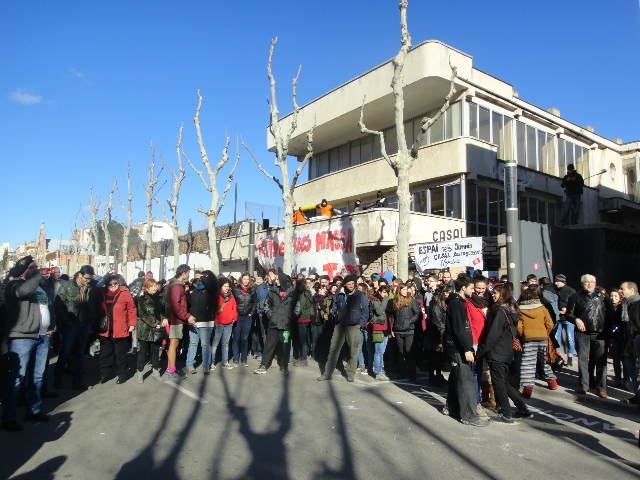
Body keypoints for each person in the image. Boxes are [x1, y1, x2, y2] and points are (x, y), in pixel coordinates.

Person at [1, 257, 55, 432]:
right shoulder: (14, 285)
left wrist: (52, 325)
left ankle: (34, 410)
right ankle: (8, 416)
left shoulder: (40, 286)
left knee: (37, 377)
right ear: (23, 270)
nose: (36, 270)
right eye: (32, 267)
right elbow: (22, 292)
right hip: (22, 337)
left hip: (42, 336)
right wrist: (37, 277)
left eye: (37, 267)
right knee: (17, 378)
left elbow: (48, 306)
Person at [476, 284, 533, 422]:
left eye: (495, 293)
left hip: (497, 352)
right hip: (507, 352)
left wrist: (481, 351)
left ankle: (506, 413)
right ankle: (522, 408)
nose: (493, 295)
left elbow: (493, 335)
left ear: (502, 294)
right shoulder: (512, 309)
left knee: (498, 383)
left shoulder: (500, 311)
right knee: (505, 382)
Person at [443, 275, 488, 427]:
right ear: (463, 288)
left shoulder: (458, 303)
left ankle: (453, 408)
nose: (473, 290)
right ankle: (469, 415)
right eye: (471, 288)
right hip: (457, 347)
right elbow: (460, 329)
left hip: (457, 346)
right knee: (465, 380)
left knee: (457, 378)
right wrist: (467, 349)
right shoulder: (456, 304)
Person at [565, 274, 609, 397]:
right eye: (586, 282)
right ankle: (584, 386)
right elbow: (569, 314)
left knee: (601, 361)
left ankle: (602, 388)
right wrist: (576, 320)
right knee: (583, 360)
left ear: (595, 283)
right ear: (582, 283)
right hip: (583, 334)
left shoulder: (602, 297)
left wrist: (609, 330)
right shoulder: (575, 297)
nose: (589, 284)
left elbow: (611, 313)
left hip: (600, 333)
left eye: (592, 282)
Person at [318, 275, 369, 382]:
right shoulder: (339, 294)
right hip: (340, 325)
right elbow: (334, 307)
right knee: (333, 350)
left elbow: (365, 310)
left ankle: (350, 373)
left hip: (354, 326)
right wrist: (333, 316)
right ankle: (327, 373)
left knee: (353, 351)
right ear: (345, 284)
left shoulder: (360, 295)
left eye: (352, 284)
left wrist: (360, 324)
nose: (350, 286)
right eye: (348, 284)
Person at [54, 264, 96, 390]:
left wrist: (92, 321)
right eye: (87, 278)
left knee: (80, 353)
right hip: (71, 324)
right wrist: (67, 321)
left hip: (85, 323)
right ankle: (58, 377)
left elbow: (93, 303)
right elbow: (59, 305)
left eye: (90, 278)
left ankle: (77, 380)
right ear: (80, 275)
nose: (88, 280)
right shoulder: (67, 286)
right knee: (65, 351)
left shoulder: (92, 287)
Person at [254, 273, 299, 375]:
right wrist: (271, 315)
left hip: (286, 325)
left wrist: (290, 317)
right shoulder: (273, 291)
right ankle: (263, 366)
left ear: (283, 280)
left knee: (285, 347)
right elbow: (267, 304)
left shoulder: (292, 293)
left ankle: (284, 366)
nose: (275, 281)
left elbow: (297, 307)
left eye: (278, 279)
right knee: (269, 346)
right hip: (273, 324)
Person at [517, 287, 557, 397]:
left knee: (528, 364)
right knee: (545, 361)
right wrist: (545, 333)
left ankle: (528, 388)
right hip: (543, 337)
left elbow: (519, 327)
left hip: (528, 339)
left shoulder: (520, 309)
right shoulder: (542, 308)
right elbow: (550, 323)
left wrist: (523, 336)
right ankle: (552, 382)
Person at [97, 275, 137, 384]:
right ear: (106, 284)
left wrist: (132, 324)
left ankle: (122, 375)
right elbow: (96, 284)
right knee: (105, 354)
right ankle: (104, 374)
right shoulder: (101, 292)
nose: (113, 286)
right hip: (105, 329)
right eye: (110, 284)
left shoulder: (124, 293)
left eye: (115, 283)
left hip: (120, 328)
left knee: (120, 354)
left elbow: (132, 309)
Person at [165, 264, 196, 381]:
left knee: (173, 344)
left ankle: (171, 368)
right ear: (183, 273)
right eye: (188, 273)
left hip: (176, 319)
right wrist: (187, 316)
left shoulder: (176, 285)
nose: (189, 275)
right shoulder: (177, 287)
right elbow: (175, 305)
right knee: (174, 345)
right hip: (176, 320)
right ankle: (171, 371)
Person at [185, 271, 218, 375]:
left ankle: (206, 365)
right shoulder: (196, 289)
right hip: (194, 320)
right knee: (193, 343)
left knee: (205, 344)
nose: (202, 278)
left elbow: (209, 283)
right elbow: (190, 302)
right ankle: (189, 365)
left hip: (206, 321)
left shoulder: (211, 289)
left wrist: (203, 277)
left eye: (205, 276)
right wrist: (186, 293)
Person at [136, 279, 167, 382]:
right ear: (147, 287)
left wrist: (164, 319)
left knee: (155, 351)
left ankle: (155, 371)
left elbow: (163, 311)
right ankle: (140, 372)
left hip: (157, 329)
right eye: (152, 286)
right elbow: (143, 314)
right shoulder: (142, 298)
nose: (154, 288)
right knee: (143, 351)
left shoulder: (160, 297)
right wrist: (155, 323)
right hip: (145, 329)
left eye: (155, 286)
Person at [391, 282, 420, 381]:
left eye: (406, 289)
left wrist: (409, 322)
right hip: (398, 329)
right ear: (399, 290)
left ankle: (413, 373)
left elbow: (417, 313)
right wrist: (392, 328)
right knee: (400, 352)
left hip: (409, 329)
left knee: (409, 352)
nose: (405, 291)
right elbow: (393, 316)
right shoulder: (395, 300)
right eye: (403, 289)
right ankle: (402, 372)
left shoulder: (411, 300)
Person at [619, 281, 640, 404]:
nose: (620, 291)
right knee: (632, 372)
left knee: (638, 372)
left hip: (636, 342)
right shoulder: (625, 304)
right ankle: (638, 395)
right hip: (627, 342)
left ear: (631, 290)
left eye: (623, 289)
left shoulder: (637, 304)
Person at [425, 285, 450, 386]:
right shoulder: (436, 305)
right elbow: (437, 322)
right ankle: (432, 378)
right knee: (434, 357)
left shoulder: (443, 303)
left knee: (439, 358)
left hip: (441, 333)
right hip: (435, 335)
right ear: (443, 293)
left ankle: (439, 375)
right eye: (447, 292)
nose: (448, 294)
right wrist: (440, 339)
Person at [211, 278, 237, 370]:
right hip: (219, 323)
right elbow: (214, 309)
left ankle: (225, 362)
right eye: (224, 286)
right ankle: (212, 362)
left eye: (227, 286)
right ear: (220, 287)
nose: (226, 288)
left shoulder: (231, 296)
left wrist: (234, 318)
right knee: (215, 343)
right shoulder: (217, 296)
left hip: (229, 323)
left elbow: (234, 308)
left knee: (225, 343)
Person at [231, 273, 256, 367]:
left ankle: (244, 359)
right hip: (237, 316)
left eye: (247, 279)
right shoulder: (235, 289)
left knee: (245, 338)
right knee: (236, 338)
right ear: (241, 279)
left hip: (247, 316)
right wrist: (234, 313)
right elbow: (232, 302)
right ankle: (236, 359)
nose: (246, 281)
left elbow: (254, 302)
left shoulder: (252, 290)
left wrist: (251, 313)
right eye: (244, 279)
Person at [367, 284, 390, 381]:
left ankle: (380, 369)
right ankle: (378, 372)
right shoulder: (375, 300)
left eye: (387, 293)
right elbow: (380, 311)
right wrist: (385, 300)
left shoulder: (384, 300)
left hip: (385, 328)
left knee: (382, 351)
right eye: (384, 292)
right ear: (380, 291)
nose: (386, 295)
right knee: (378, 351)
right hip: (377, 327)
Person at [554, 274, 576, 365]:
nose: (556, 283)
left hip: (568, 318)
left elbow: (575, 303)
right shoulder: (555, 290)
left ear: (562, 281)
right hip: (558, 317)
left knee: (570, 338)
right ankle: (554, 356)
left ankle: (570, 357)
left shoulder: (570, 291)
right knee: (555, 337)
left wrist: (567, 309)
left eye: (557, 281)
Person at [254, 270, 275, 361]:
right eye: (269, 276)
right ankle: (259, 352)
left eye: (273, 276)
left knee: (271, 335)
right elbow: (257, 301)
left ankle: (271, 354)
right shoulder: (260, 288)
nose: (271, 278)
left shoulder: (275, 287)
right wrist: (259, 311)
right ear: (266, 277)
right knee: (261, 333)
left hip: (273, 314)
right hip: (262, 313)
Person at [293, 274, 313, 367]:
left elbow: (299, 309)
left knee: (303, 340)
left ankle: (304, 359)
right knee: (304, 339)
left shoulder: (302, 295)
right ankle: (302, 357)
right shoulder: (308, 293)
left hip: (302, 319)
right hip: (307, 318)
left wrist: (292, 316)